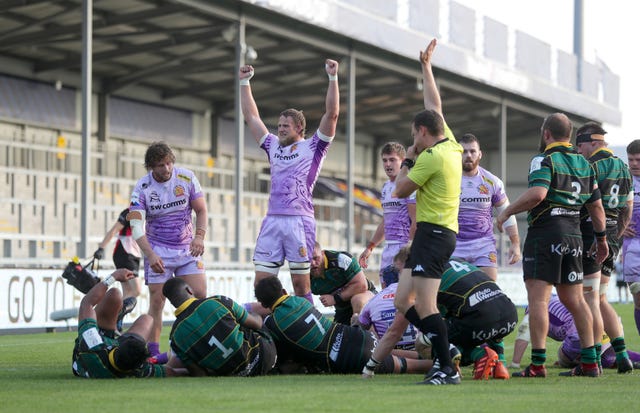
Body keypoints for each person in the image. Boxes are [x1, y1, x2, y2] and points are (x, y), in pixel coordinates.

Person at [496, 112, 609, 378]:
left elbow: (538, 194)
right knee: (576, 300)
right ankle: (591, 362)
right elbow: (596, 206)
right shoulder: (584, 164)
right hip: (574, 236)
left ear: (546, 133)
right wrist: (602, 239)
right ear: (569, 135)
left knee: (538, 300)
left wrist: (506, 212)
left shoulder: (543, 159)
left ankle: (537, 364)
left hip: (546, 235)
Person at [392, 38, 463, 385]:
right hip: (433, 234)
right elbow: (433, 104)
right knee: (403, 301)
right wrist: (426, 67)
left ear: (421, 133)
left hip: (435, 233)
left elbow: (399, 189)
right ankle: (444, 348)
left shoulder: (431, 158)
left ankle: (446, 365)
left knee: (425, 305)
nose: (414, 139)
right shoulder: (450, 143)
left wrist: (408, 157)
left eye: (414, 135)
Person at [239, 58, 339, 304]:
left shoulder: (314, 147)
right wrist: (244, 83)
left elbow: (333, 114)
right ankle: (275, 330)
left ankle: (307, 332)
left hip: (299, 221)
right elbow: (251, 116)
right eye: (279, 125)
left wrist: (333, 78)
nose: (280, 129)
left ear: (299, 128)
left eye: (286, 125)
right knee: (262, 285)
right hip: (272, 220)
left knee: (299, 284)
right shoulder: (272, 144)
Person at [363, 255, 516, 381]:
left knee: (426, 340)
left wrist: (371, 365)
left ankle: (472, 357)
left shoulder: (420, 276)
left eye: (400, 271)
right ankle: (499, 364)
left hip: (481, 320)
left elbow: (395, 332)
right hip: (510, 315)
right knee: (480, 316)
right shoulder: (456, 260)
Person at [128, 141, 208, 364]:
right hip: (158, 251)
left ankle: (195, 343)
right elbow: (135, 226)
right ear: (151, 167)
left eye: (169, 163)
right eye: (161, 165)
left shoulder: (186, 178)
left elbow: (201, 210)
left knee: (199, 294)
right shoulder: (142, 188)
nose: (167, 169)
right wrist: (150, 254)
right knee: (157, 300)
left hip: (186, 249)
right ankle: (153, 352)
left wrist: (199, 236)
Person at [254, 276, 431, 376]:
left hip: (345, 355)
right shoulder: (299, 301)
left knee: (409, 367)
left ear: (263, 304)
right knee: (387, 351)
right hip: (351, 334)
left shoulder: (272, 323)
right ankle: (441, 355)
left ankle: (444, 365)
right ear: (284, 291)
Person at [575, 122, 633, 373]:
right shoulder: (623, 167)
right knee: (600, 298)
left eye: (580, 146)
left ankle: (594, 360)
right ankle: (621, 355)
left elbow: (585, 206)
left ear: (592, 143)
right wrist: (615, 237)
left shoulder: (590, 166)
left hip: (592, 236)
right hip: (613, 238)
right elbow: (627, 209)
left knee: (590, 299)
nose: (579, 152)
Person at [72, 268, 182, 378]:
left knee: (115, 294)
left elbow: (87, 303)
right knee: (147, 319)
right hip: (112, 358)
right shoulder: (139, 369)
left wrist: (113, 276)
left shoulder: (92, 345)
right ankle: (117, 317)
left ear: (119, 344)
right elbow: (173, 372)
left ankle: (116, 318)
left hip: (92, 349)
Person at [162, 277, 277, 377]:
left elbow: (199, 374)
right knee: (252, 318)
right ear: (189, 290)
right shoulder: (217, 301)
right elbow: (256, 324)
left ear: (172, 303)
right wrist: (258, 316)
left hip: (234, 375)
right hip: (265, 358)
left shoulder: (175, 338)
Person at [453, 133, 521, 281]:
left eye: (472, 151)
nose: (469, 155)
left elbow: (507, 212)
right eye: (464, 151)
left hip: (483, 246)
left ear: (480, 154)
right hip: (454, 245)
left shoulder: (492, 182)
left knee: (488, 291)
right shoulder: (448, 181)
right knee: (453, 294)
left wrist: (515, 244)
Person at [510, 295, 640, 370]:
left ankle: (574, 361)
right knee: (607, 353)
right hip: (612, 326)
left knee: (562, 355)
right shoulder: (558, 297)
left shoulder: (535, 307)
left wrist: (515, 363)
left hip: (580, 334)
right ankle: (623, 359)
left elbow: (524, 330)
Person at [358, 142, 416, 287]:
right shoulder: (385, 187)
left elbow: (416, 220)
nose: (387, 164)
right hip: (388, 247)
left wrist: (409, 248)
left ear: (402, 161)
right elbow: (386, 221)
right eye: (384, 160)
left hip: (403, 246)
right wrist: (370, 247)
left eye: (392, 160)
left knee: (404, 295)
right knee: (385, 291)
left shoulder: (408, 185)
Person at [94, 207, 142, 331]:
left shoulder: (149, 213)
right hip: (125, 252)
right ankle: (115, 318)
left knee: (128, 292)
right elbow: (114, 230)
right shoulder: (129, 212)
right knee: (136, 290)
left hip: (135, 254)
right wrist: (101, 248)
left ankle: (114, 323)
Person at [310, 242, 377, 325]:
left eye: (316, 258)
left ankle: (362, 335)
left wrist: (335, 298)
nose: (312, 263)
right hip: (342, 309)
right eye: (308, 259)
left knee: (357, 300)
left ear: (322, 253)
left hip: (367, 297)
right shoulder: (304, 275)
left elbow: (362, 285)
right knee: (334, 335)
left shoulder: (341, 259)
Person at [622, 139, 640, 336]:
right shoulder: (623, 181)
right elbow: (605, 207)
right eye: (631, 159)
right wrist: (621, 225)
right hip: (632, 247)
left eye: (638, 160)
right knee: (638, 297)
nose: (634, 164)